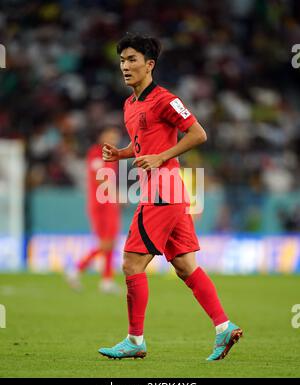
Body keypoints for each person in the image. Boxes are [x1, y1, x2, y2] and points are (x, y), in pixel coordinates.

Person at [98, 34, 243, 360]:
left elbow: (198, 133)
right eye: (122, 60)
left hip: (162, 191)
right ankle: (224, 328)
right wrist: (121, 153)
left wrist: (162, 156)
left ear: (150, 64)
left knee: (132, 263)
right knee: (185, 265)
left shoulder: (165, 99)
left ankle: (135, 341)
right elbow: (142, 147)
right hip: (170, 193)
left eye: (132, 59)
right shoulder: (130, 104)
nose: (125, 66)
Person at [67, 126, 121, 294]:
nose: (113, 139)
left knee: (111, 241)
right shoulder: (96, 153)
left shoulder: (114, 156)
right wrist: (114, 192)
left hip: (110, 203)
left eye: (115, 136)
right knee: (106, 243)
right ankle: (76, 269)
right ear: (102, 136)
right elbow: (99, 178)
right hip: (99, 204)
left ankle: (106, 280)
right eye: (110, 135)